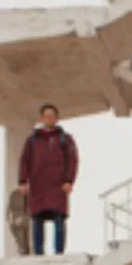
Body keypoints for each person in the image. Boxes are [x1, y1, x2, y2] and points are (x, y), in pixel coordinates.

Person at [18, 104, 79, 256]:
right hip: (38, 186)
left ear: (57, 118)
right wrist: (22, 181)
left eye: (52, 115)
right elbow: (25, 161)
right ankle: (38, 253)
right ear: (41, 118)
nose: (49, 118)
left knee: (59, 219)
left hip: (58, 185)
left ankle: (59, 252)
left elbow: (73, 160)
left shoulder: (65, 139)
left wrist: (69, 181)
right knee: (37, 219)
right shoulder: (32, 140)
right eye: (46, 115)